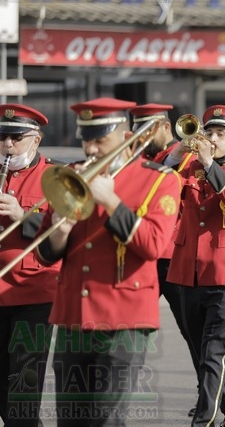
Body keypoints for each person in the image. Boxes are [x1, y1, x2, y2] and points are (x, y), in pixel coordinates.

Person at [35, 97, 182, 426]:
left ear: (125, 135)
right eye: (87, 139)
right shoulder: (71, 175)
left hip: (123, 321)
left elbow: (154, 245)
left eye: (101, 139)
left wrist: (112, 201)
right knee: (70, 420)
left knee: (105, 420)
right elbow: (44, 253)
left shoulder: (158, 180)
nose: (92, 149)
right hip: (73, 317)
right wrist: (62, 227)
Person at [164, 104, 225, 427]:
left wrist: (208, 163)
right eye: (209, 132)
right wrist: (177, 154)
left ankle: (203, 421)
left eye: (221, 134)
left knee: (212, 352)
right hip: (187, 272)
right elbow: (159, 189)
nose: (212, 138)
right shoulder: (187, 167)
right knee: (206, 353)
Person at [129, 103, 202, 416]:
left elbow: (167, 174)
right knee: (131, 326)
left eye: (150, 128)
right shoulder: (135, 158)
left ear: (164, 127)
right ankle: (118, 394)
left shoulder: (185, 154)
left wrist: (173, 153)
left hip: (172, 253)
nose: (144, 136)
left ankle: (209, 393)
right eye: (139, 128)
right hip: (140, 252)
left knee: (191, 330)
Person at [0, 104, 60, 426]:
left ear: (36, 140)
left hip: (34, 291)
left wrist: (22, 217)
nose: (8, 145)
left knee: (24, 383)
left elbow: (65, 232)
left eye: (16, 137)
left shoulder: (55, 176)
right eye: (3, 137)